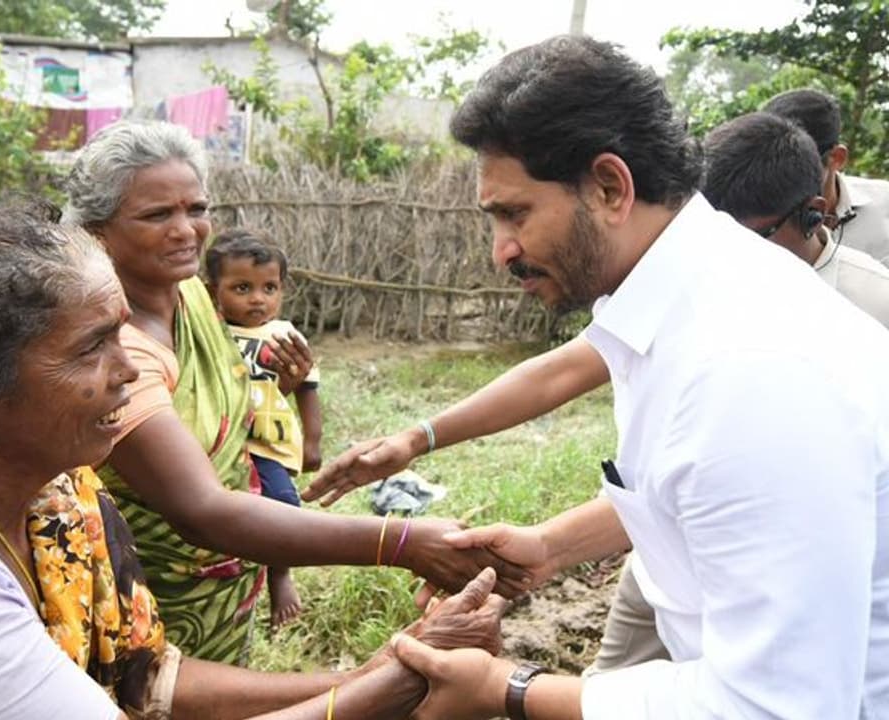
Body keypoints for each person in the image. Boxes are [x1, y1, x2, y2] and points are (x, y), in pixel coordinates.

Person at [0, 204, 507, 720]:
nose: (129, 368)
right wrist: (393, 686)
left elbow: (147, 680)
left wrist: (371, 670)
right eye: (92, 347)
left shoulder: (60, 499)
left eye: (124, 333)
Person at [324, 35, 889, 718]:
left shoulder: (748, 371)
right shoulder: (678, 302)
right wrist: (547, 548)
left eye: (515, 213)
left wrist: (506, 688)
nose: (501, 250)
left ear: (609, 188)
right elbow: (689, 490)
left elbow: (776, 707)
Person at [64, 120, 524, 664]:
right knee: (157, 695)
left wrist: (278, 387)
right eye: (157, 215)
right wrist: (400, 542)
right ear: (97, 231)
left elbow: (219, 409)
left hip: (226, 590)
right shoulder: (118, 353)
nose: (186, 230)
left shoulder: (192, 297)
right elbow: (201, 511)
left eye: (197, 208)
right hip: (152, 599)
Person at [203, 228, 321, 628]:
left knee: (283, 504)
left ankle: (280, 575)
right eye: (242, 288)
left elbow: (307, 388)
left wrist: (313, 442)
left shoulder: (284, 335)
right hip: (219, 441)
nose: (258, 298)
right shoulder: (211, 333)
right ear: (213, 291)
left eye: (269, 288)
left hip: (266, 443)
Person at [704, 112, 889, 327]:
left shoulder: (875, 304)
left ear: (813, 215)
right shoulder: (703, 287)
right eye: (720, 234)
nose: (734, 252)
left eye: (754, 237)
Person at [763, 88, 889, 266]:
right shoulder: (755, 220)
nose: (784, 182)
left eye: (797, 170)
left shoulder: (885, 205)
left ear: (837, 158)